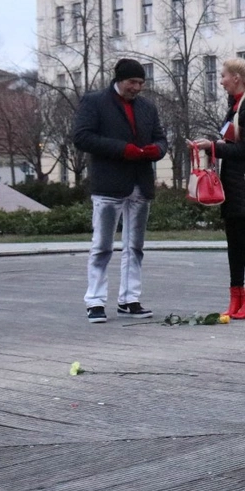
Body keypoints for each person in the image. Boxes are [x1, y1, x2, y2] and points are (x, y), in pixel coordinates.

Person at [72, 58, 167, 323]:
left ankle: (129, 299)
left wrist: (156, 151)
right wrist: (121, 149)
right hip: (109, 184)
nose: (136, 88)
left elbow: (161, 139)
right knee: (102, 245)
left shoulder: (148, 108)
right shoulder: (94, 102)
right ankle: (95, 300)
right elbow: (81, 137)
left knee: (135, 246)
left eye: (140, 83)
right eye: (132, 82)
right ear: (118, 79)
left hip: (140, 183)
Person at [191, 57, 245, 320]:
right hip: (235, 181)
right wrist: (213, 144)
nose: (222, 80)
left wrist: (213, 147)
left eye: (224, 75)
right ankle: (236, 296)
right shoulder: (237, 105)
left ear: (237, 78)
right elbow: (231, 138)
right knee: (233, 240)